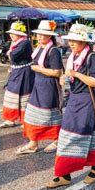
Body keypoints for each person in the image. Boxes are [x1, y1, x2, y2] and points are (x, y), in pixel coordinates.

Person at [47, 23, 95, 188]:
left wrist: (75, 74)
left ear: (84, 42)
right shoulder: (73, 56)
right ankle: (68, 173)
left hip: (87, 101)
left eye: (75, 40)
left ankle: (82, 170)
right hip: (75, 99)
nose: (71, 43)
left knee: (78, 134)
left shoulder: (92, 57)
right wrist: (65, 78)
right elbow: (68, 75)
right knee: (73, 134)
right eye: (70, 40)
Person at [20, 20, 63, 154]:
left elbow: (57, 72)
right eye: (38, 34)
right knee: (32, 114)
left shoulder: (53, 51)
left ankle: (57, 139)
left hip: (49, 86)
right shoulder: (39, 48)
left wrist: (38, 69)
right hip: (38, 84)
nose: (39, 36)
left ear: (50, 36)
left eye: (43, 34)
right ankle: (33, 142)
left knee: (48, 114)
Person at [0, 21, 35, 129]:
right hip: (16, 71)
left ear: (20, 34)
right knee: (11, 95)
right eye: (11, 33)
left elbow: (13, 56)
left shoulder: (25, 43)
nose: (11, 35)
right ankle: (10, 119)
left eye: (13, 33)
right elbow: (7, 57)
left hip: (25, 72)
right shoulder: (16, 43)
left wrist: (9, 52)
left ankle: (26, 121)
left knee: (24, 96)